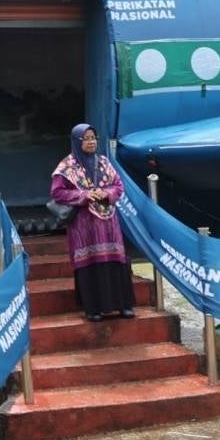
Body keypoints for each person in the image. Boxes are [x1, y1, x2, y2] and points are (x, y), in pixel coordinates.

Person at [50, 123, 136, 322]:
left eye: (93, 138)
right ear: (77, 141)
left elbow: (118, 186)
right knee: (89, 262)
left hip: (108, 224)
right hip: (84, 225)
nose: (91, 142)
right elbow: (57, 192)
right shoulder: (66, 167)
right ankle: (93, 309)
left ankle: (123, 306)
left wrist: (105, 193)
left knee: (115, 260)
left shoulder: (104, 162)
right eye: (86, 138)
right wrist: (85, 194)